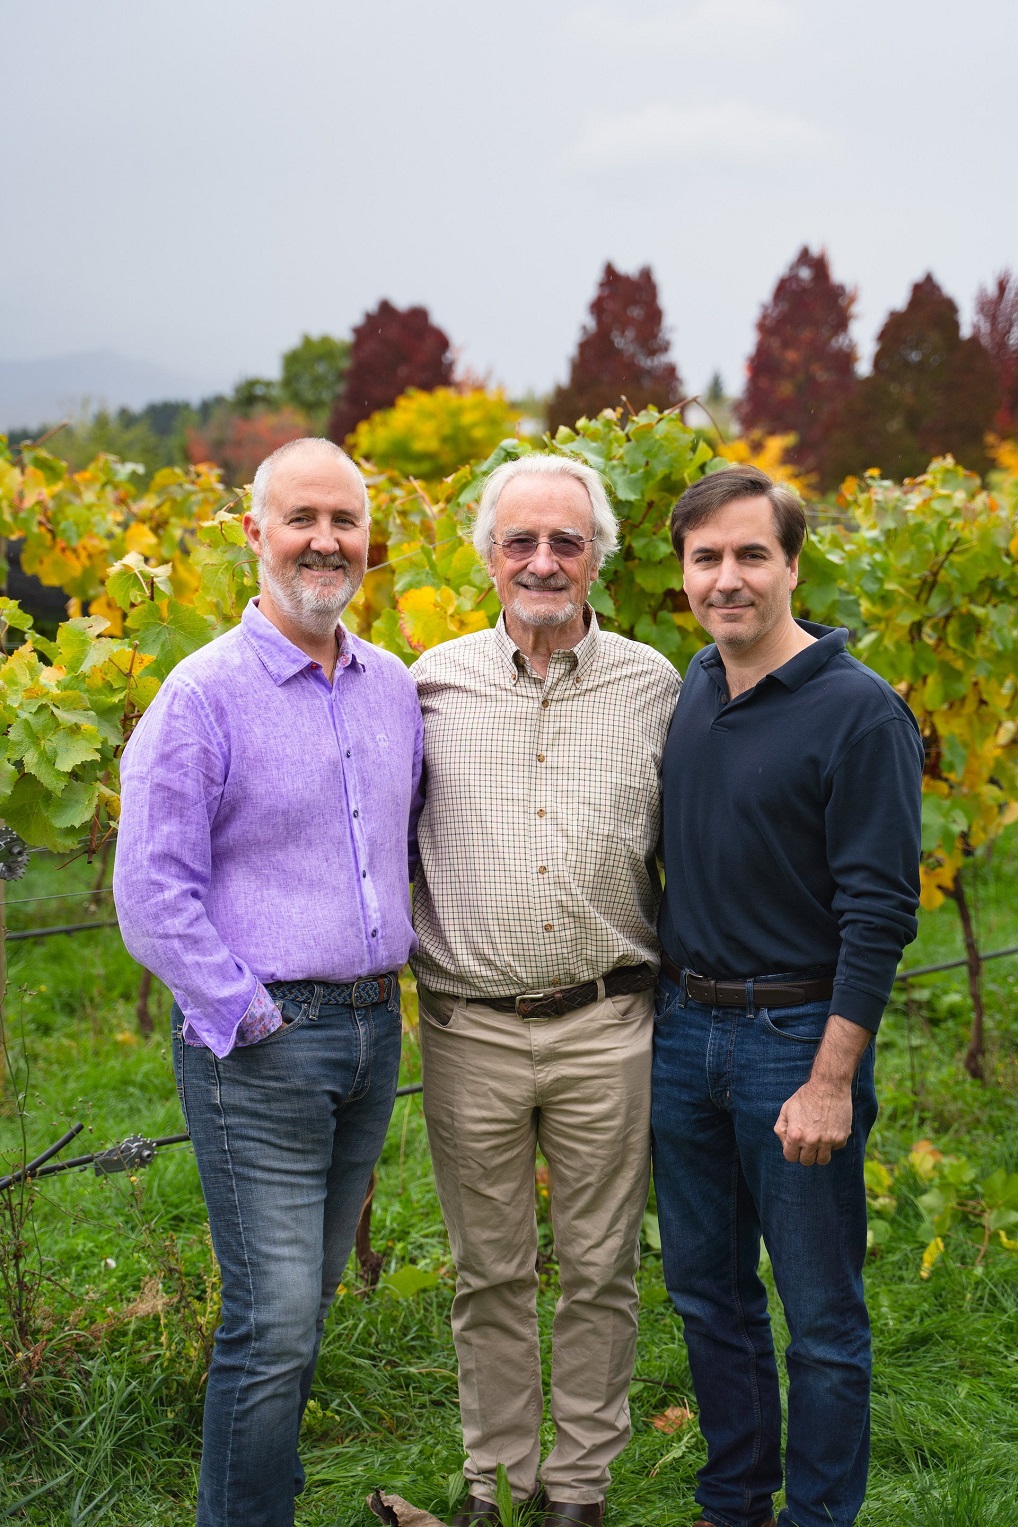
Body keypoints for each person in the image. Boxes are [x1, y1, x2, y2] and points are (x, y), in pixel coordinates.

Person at [113, 437, 423, 1527]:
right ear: (256, 535)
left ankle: (265, 1497)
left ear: (368, 541)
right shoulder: (202, 696)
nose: (325, 540)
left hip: (373, 1036)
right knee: (275, 1315)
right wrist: (248, 1014)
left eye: (345, 520)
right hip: (263, 1046)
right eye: (301, 518)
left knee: (309, 1298)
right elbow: (150, 888)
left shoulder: (393, 690)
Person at [409, 454, 681, 1527]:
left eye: (566, 541)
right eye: (521, 540)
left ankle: (577, 1490)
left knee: (603, 1268)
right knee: (489, 1273)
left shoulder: (655, 687)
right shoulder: (426, 683)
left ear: (598, 558)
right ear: (486, 555)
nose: (542, 560)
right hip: (468, 1027)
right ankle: (495, 1482)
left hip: (609, 1022)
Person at [651, 464, 923, 1527]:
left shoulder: (859, 714)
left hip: (793, 1037)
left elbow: (879, 914)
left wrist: (827, 1080)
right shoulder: (691, 689)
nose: (728, 578)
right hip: (682, 1038)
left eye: (750, 554)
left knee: (819, 1318)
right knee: (707, 1300)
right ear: (683, 572)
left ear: (791, 566)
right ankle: (734, 1507)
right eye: (706, 557)